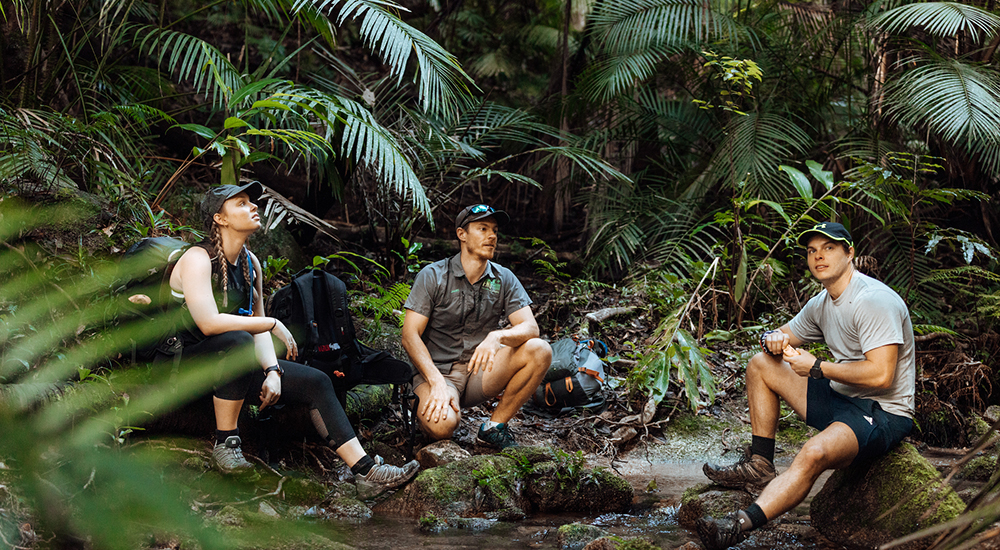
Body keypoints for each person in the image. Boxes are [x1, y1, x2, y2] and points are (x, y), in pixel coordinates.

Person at [169, 181, 418, 498]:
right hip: (185, 366)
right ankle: (226, 443)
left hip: (232, 366)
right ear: (220, 218)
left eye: (252, 202)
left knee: (316, 381)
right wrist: (272, 322)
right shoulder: (197, 259)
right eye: (242, 203)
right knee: (236, 340)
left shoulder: (250, 264)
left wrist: (273, 371)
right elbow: (207, 324)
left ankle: (367, 472)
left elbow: (254, 329)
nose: (254, 207)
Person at [696, 222, 916, 549]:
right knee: (761, 364)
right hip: (841, 400)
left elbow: (881, 376)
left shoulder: (873, 301)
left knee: (811, 453)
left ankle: (737, 525)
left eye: (828, 248)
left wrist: (817, 368)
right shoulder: (822, 303)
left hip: (882, 413)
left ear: (850, 253)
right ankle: (760, 464)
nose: (818, 257)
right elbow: (782, 335)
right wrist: (772, 338)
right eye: (812, 251)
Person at [401, 204, 552, 449]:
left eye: (494, 230)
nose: (491, 236)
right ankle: (430, 404)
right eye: (482, 228)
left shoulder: (503, 278)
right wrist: (437, 382)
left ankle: (493, 428)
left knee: (540, 349)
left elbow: (530, 328)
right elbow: (409, 335)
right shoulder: (433, 275)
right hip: (437, 372)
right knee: (444, 426)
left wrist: (497, 337)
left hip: (478, 372)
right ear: (462, 234)